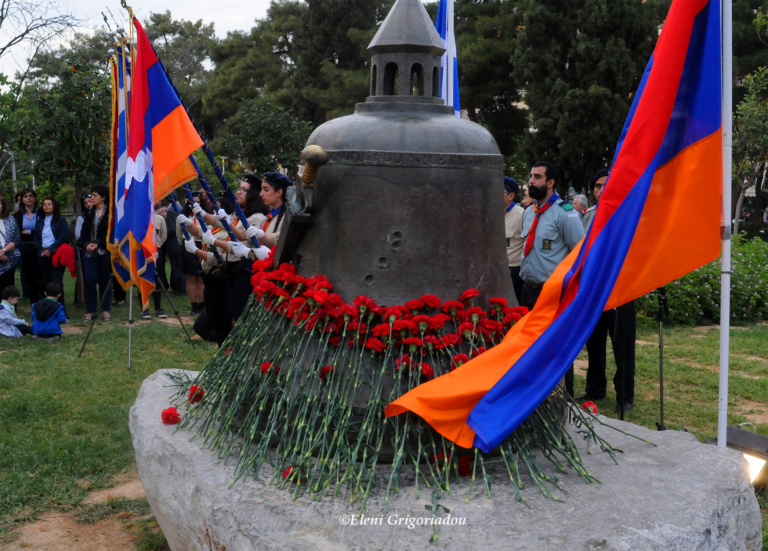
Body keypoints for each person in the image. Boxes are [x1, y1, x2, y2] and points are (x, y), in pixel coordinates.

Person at [520, 161, 585, 396]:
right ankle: (532, 392)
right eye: (531, 176)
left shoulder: (566, 213)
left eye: (537, 177)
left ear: (550, 183)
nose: (531, 181)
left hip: (553, 292)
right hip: (528, 289)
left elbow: (579, 254)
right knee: (528, 344)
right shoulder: (529, 212)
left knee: (556, 345)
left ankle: (563, 395)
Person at [576, 168, 637, 413]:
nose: (601, 190)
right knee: (594, 343)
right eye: (597, 186)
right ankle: (595, 388)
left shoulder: (629, 214)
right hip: (595, 290)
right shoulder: (588, 216)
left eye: (606, 185)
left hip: (621, 289)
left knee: (623, 345)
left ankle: (625, 396)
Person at [183, 174, 269, 328]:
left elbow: (242, 237)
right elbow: (218, 222)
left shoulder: (257, 218)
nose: (239, 192)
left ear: (253, 195)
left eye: (245, 190)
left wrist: (216, 239)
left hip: (245, 268)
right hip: (231, 268)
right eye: (239, 188)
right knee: (229, 311)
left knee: (238, 314)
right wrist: (202, 214)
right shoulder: (238, 214)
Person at [78, 186, 112, 321]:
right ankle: (90, 310)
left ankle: (106, 309)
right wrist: (87, 244)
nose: (92, 198)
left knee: (105, 280)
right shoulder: (89, 212)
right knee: (90, 280)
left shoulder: (110, 213)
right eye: (91, 195)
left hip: (104, 250)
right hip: (89, 252)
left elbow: (110, 232)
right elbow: (84, 232)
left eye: (95, 195)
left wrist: (98, 243)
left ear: (103, 197)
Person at [34, 197, 69, 311]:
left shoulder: (60, 220)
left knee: (56, 282)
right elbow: (36, 238)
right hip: (43, 254)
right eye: (44, 204)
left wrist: (51, 249)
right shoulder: (40, 220)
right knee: (47, 282)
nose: (46, 206)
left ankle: (60, 309)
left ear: (54, 206)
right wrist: (42, 251)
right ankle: (50, 309)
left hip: (56, 253)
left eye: (49, 204)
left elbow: (63, 236)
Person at [13, 189, 42, 303]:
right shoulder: (18, 215)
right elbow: (17, 232)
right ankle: (34, 302)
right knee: (29, 276)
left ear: (35, 199)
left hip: (40, 247)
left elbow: (43, 230)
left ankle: (44, 300)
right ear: (22, 200)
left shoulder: (41, 213)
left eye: (31, 196)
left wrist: (29, 232)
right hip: (25, 248)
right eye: (25, 196)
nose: (28, 198)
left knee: (41, 275)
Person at [503, 176, 524, 305]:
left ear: (511, 196)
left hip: (513, 272)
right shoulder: (492, 213)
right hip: (496, 270)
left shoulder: (521, 215)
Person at [145, 207, 168, 319]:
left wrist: (157, 245)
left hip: (156, 251)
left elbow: (163, 236)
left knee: (158, 279)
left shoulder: (159, 218)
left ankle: (158, 308)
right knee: (143, 278)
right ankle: (144, 308)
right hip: (142, 251)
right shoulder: (137, 217)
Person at [0, 195, 22, 291]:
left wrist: (4, 251)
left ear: (3, 206)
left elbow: (17, 238)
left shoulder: (11, 219)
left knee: (9, 290)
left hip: (10, 258)